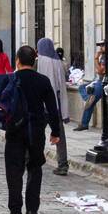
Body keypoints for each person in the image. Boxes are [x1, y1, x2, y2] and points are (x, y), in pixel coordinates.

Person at [3, 44, 63, 214]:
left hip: (15, 130)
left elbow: (2, 104)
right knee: (35, 168)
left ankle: (15, 213)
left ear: (17, 61)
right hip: (36, 130)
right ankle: (32, 209)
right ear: (34, 61)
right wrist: (55, 131)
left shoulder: (11, 79)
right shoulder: (43, 81)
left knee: (14, 172)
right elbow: (53, 109)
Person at [35, 38, 70, 175]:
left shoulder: (39, 61)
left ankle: (31, 158)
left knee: (36, 133)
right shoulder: (59, 62)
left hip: (42, 104)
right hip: (56, 104)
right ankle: (63, 164)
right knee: (59, 134)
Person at [76, 48, 107, 131]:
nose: (100, 48)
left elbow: (100, 71)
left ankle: (84, 123)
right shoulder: (103, 57)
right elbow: (99, 71)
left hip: (103, 82)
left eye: (102, 45)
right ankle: (88, 99)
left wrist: (96, 58)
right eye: (100, 45)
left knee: (90, 102)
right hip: (99, 80)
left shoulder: (105, 58)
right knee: (82, 87)